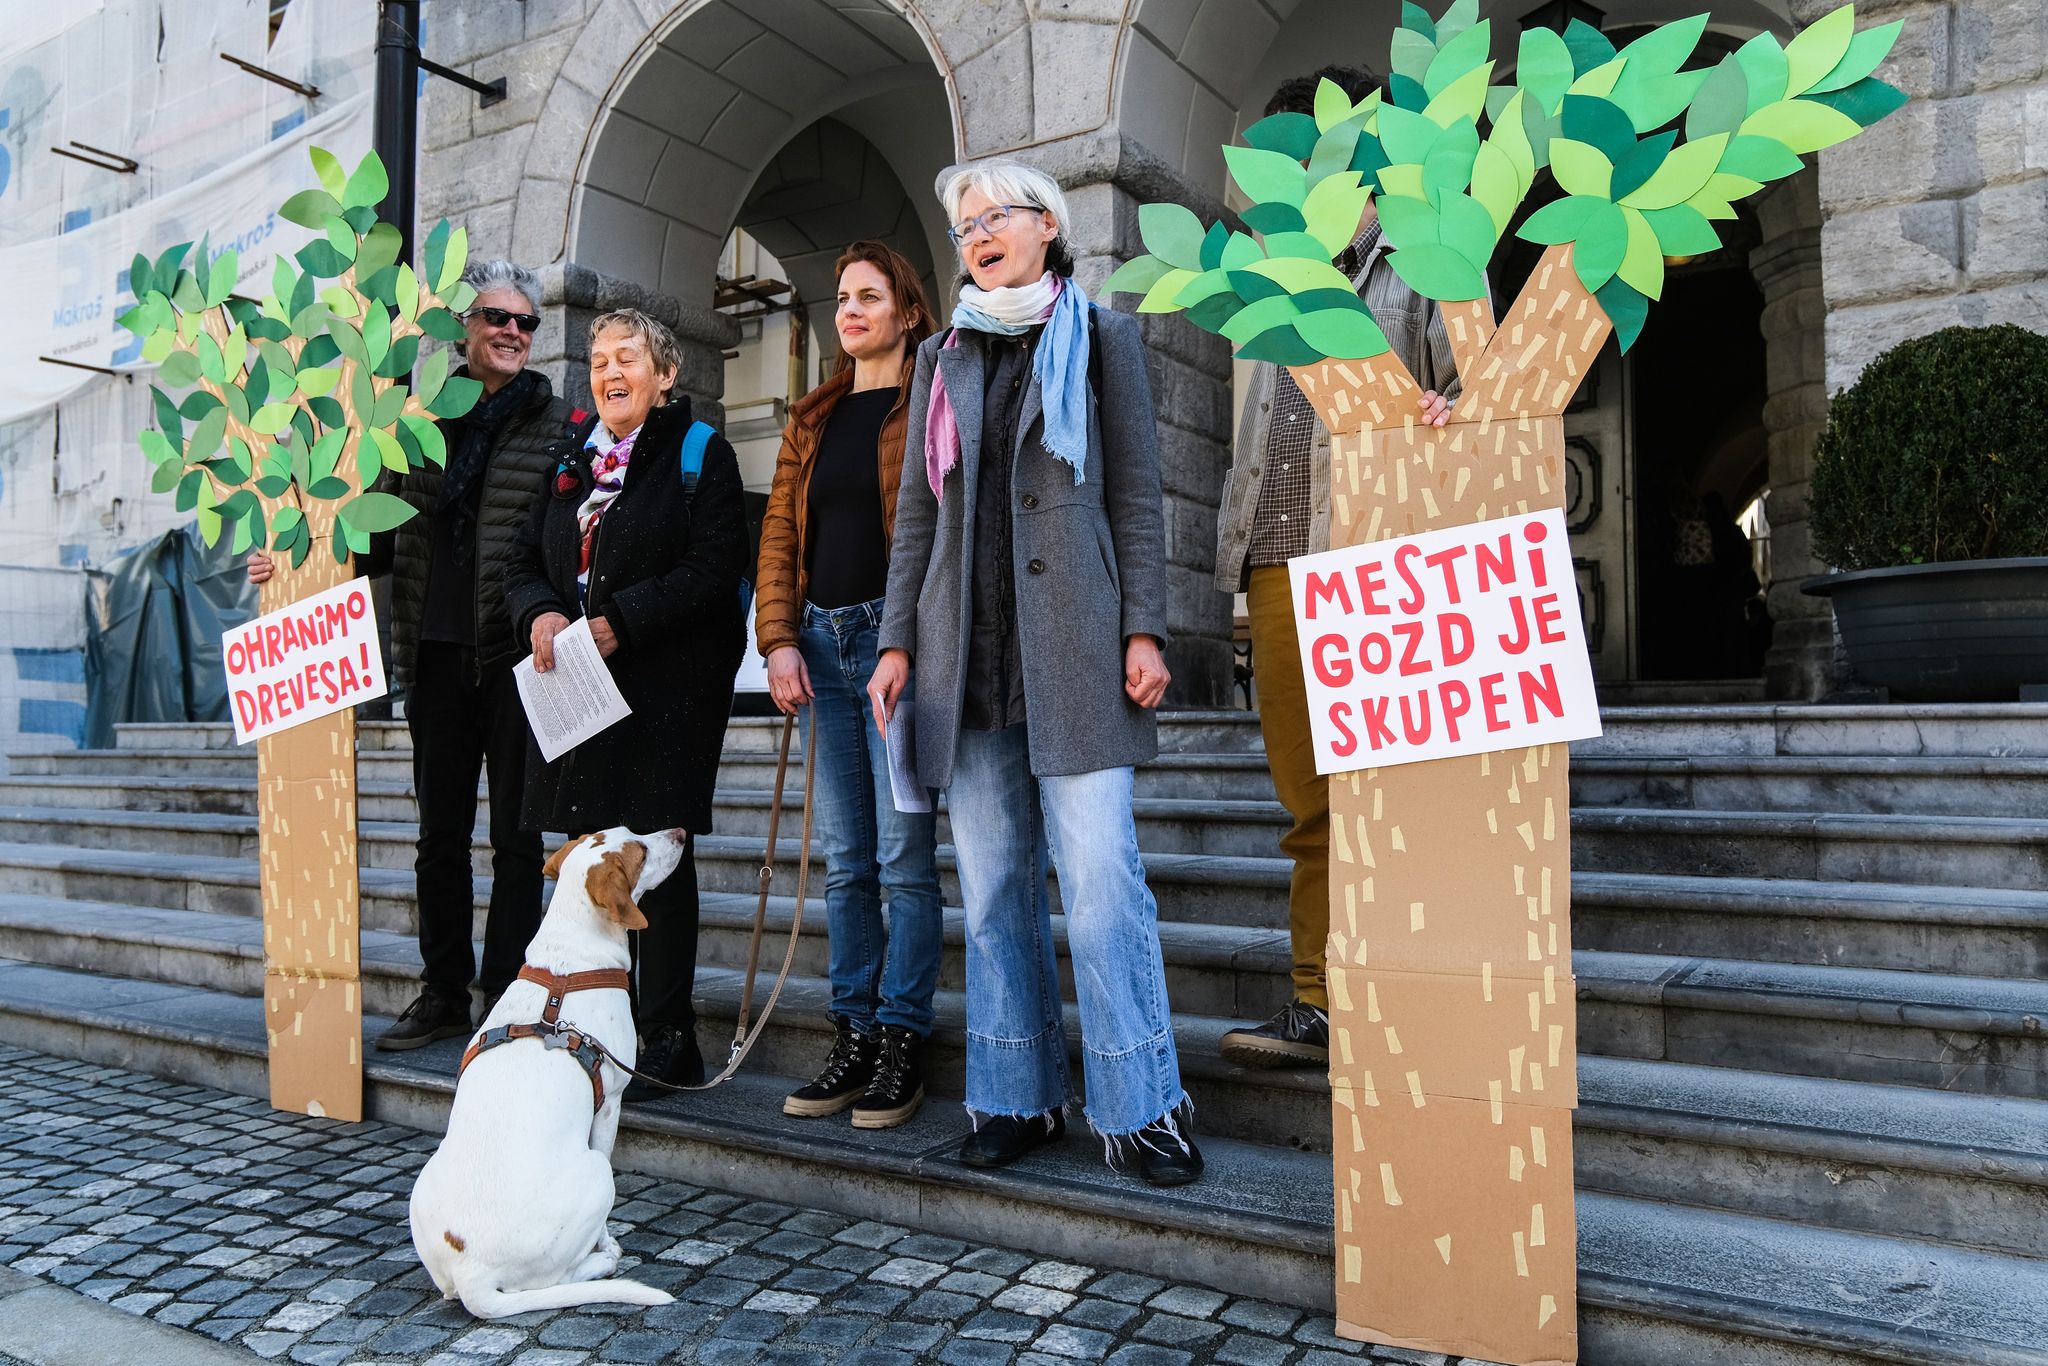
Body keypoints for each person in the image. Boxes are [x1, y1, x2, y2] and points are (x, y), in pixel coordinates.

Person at [870, 161, 1202, 1186]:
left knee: (1102, 887)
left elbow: (1136, 494)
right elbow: (918, 513)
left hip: (1076, 647)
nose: (977, 233)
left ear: (1047, 226)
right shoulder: (942, 354)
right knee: (994, 888)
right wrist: (894, 641)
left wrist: (1143, 629)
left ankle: (1144, 1106)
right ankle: (1017, 1095)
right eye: (963, 223)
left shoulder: (1103, 337)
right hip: (961, 656)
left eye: (995, 216)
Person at [246, 259, 573, 1051]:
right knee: (439, 840)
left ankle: (505, 993)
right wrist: (289, 560)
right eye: (497, 318)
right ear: (464, 328)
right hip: (432, 653)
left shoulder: (562, 425)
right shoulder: (416, 422)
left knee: (518, 841)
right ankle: (443, 992)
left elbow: (575, 538)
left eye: (526, 322)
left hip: (520, 658)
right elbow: (372, 536)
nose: (513, 332)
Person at [1214, 66, 1462, 1070]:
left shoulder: (1425, 258)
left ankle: (1410, 995)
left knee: (1394, 792)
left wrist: (1456, 410)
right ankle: (1319, 1001)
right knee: (1309, 802)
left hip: (1380, 563)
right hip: (1276, 565)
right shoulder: (1281, 279)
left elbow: (1487, 394)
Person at [501, 307, 748, 1100]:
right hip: (581, 697)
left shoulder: (700, 452)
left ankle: (669, 1038)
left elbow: (714, 569)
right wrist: (541, 612)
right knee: (591, 861)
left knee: (657, 866)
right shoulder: (571, 457)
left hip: (666, 695)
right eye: (600, 359)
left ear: (665, 375)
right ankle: (599, 1021)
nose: (611, 372)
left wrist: (621, 622)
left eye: (629, 358)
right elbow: (519, 560)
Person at [753, 242, 944, 1129]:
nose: (852, 310)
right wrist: (778, 640)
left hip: (893, 645)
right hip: (821, 649)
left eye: (871, 296)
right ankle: (855, 1033)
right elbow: (779, 537)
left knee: (905, 860)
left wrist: (908, 639)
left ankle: (904, 1037)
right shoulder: (813, 416)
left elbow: (934, 533)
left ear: (908, 310)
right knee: (846, 862)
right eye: (842, 299)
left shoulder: (931, 401)